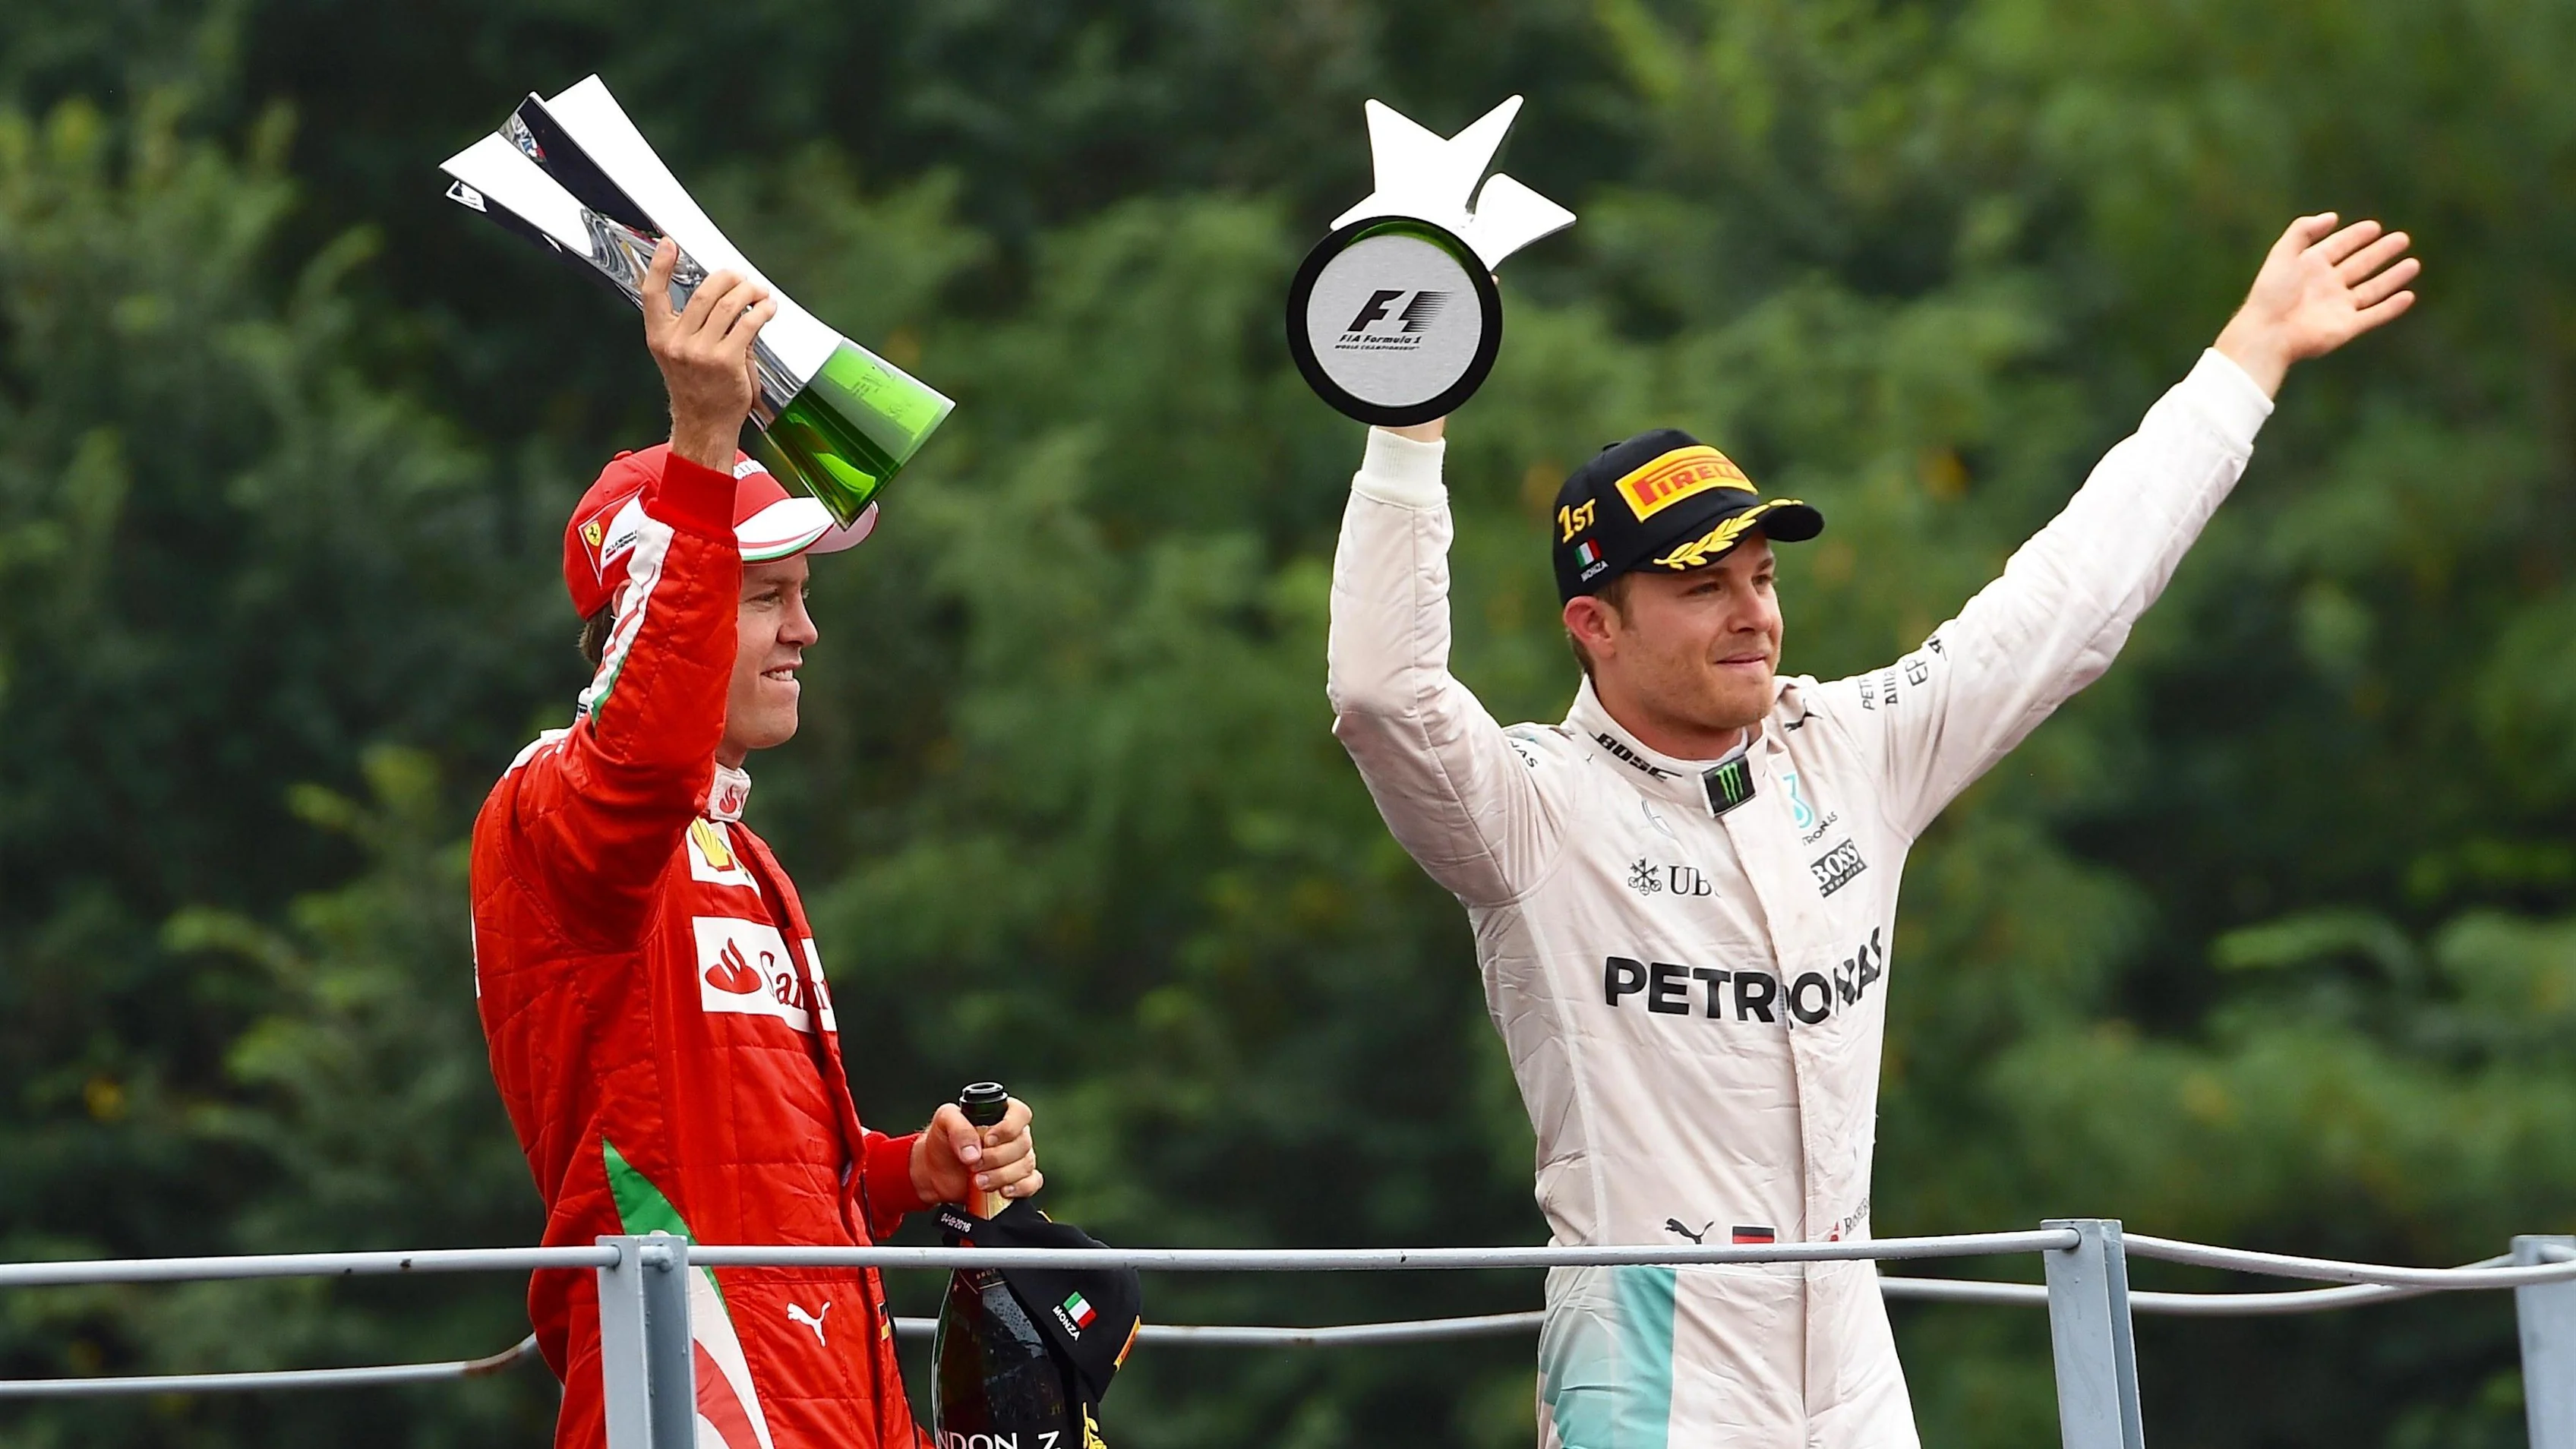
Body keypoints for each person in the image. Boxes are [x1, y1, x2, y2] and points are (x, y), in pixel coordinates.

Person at [1325, 213, 2418, 1447]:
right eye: (1700, 589)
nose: (1751, 617)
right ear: (1594, 627)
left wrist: (2249, 355)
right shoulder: (1530, 809)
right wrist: (1408, 419)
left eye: (1762, 579)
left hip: (1851, 1365)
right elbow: (1382, 695)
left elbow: (2072, 602)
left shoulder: (1850, 748)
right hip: (1652, 1364)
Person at [471, 241, 1041, 1449]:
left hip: (833, 1391)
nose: (807, 631)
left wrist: (909, 1174)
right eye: (768, 595)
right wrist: (698, 455)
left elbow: (765, 1180)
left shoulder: (741, 851)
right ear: (661, 602)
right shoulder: (558, 810)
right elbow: (636, 764)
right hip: (688, 1393)